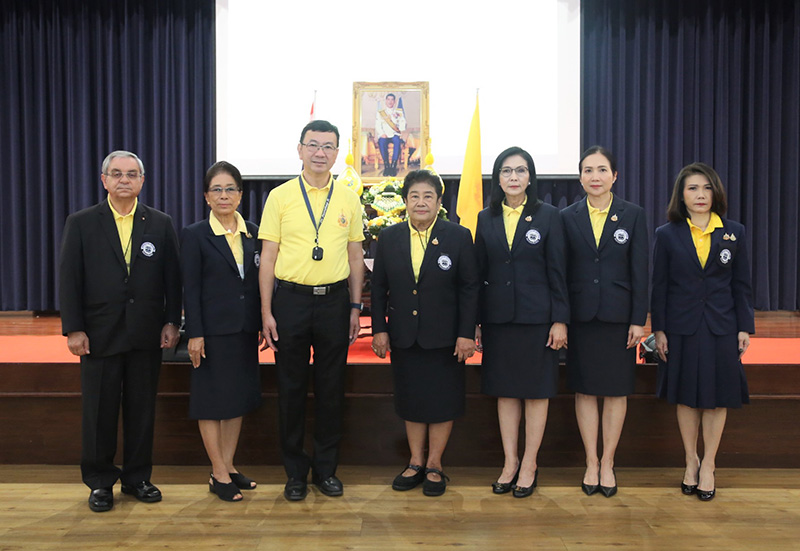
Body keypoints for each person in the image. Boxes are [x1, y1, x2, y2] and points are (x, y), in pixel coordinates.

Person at [59, 150, 181, 512]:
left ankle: (137, 478)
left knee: (142, 410)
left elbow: (172, 279)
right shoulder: (81, 222)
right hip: (98, 335)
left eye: (131, 174)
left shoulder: (159, 223)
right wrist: (74, 329)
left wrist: (172, 320)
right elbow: (69, 279)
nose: (124, 180)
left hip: (146, 333)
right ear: (104, 180)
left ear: (142, 181)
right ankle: (99, 482)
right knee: (99, 412)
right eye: (117, 174)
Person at [258, 120, 365, 501]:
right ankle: (295, 472)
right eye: (313, 145)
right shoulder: (280, 196)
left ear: (337, 153)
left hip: (335, 302)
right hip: (290, 301)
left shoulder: (349, 198)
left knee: (331, 388)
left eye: (328, 147)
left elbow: (355, 255)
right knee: (290, 388)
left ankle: (325, 470)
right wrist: (267, 312)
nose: (320, 153)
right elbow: (268, 257)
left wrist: (355, 305)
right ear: (300, 149)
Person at [371, 169, 479, 497]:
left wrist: (465, 333)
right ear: (405, 201)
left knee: (443, 401)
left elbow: (469, 288)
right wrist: (379, 330)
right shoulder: (389, 238)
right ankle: (415, 461)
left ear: (439, 202)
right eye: (414, 196)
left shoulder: (458, 237)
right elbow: (378, 289)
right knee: (411, 400)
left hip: (445, 338)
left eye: (428, 196)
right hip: (405, 336)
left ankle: (435, 463)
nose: (421, 202)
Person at [651, 162, 754, 502]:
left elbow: (741, 285)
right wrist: (660, 329)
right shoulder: (666, 234)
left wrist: (744, 327)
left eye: (706, 188)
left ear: (716, 193)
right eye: (692, 188)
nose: (700, 195)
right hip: (681, 327)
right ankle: (690, 460)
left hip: (722, 326)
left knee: (717, 398)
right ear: (681, 195)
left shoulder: (733, 231)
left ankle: (709, 464)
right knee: (686, 396)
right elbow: (660, 286)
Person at [474, 147, 569, 498]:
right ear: (498, 177)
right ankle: (510, 462)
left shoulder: (549, 216)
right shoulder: (486, 218)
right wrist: (477, 321)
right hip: (499, 319)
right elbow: (479, 274)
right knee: (506, 392)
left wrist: (560, 319)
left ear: (530, 177)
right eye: (506, 171)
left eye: (520, 171)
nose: (513, 177)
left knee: (536, 392)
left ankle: (530, 463)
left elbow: (558, 271)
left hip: (537, 319)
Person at [561, 145, 648, 497]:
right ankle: (590, 461)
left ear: (615, 176)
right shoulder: (567, 216)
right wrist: (562, 319)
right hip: (581, 317)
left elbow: (641, 271)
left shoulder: (633, 214)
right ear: (580, 176)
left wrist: (638, 319)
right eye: (587, 170)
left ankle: (608, 462)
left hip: (618, 317)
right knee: (584, 390)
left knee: (615, 391)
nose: (594, 177)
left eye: (601, 170)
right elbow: (561, 273)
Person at [180, 161, 263, 502]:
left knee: (236, 401)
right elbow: (191, 288)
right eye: (217, 189)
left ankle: (228, 466)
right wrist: (195, 333)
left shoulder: (253, 231)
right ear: (206, 196)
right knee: (212, 403)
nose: (224, 195)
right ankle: (216, 471)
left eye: (230, 189)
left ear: (241, 195)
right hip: (211, 333)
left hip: (244, 331)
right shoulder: (195, 234)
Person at [375, 93, 407, 176]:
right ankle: (387, 166)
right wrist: (382, 133)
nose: (390, 101)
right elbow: (378, 125)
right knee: (381, 141)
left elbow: (403, 123)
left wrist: (400, 129)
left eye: (392, 99)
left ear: (395, 101)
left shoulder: (399, 112)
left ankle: (393, 166)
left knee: (397, 141)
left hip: (394, 134)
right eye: (388, 99)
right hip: (384, 134)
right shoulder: (381, 113)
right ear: (385, 101)